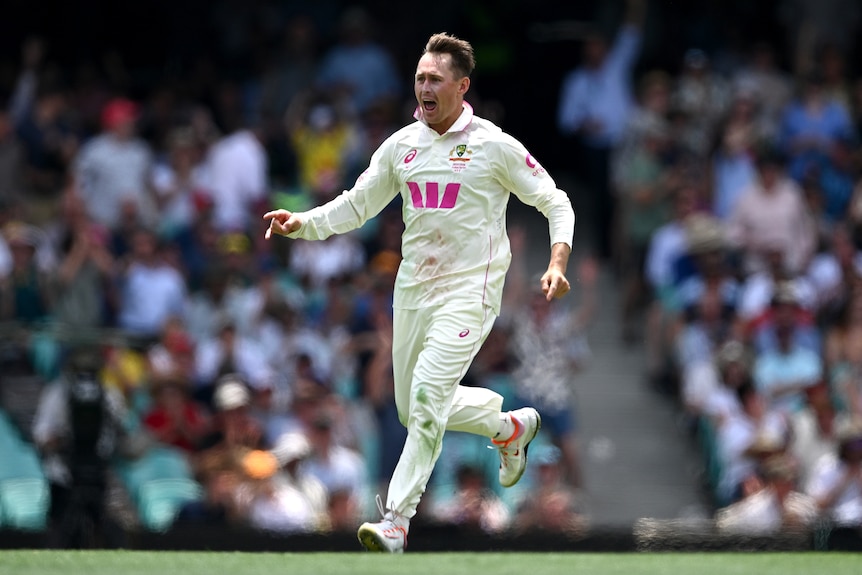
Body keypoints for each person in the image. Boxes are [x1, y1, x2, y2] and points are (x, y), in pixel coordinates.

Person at [264, 32, 575, 553]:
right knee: (415, 411)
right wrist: (303, 223)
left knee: (429, 395)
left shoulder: (493, 145)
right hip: (413, 291)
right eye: (419, 79)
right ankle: (507, 426)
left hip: (470, 291)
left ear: (461, 86)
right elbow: (357, 205)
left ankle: (396, 520)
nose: (424, 88)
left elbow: (555, 200)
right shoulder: (401, 146)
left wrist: (557, 261)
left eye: (434, 80)